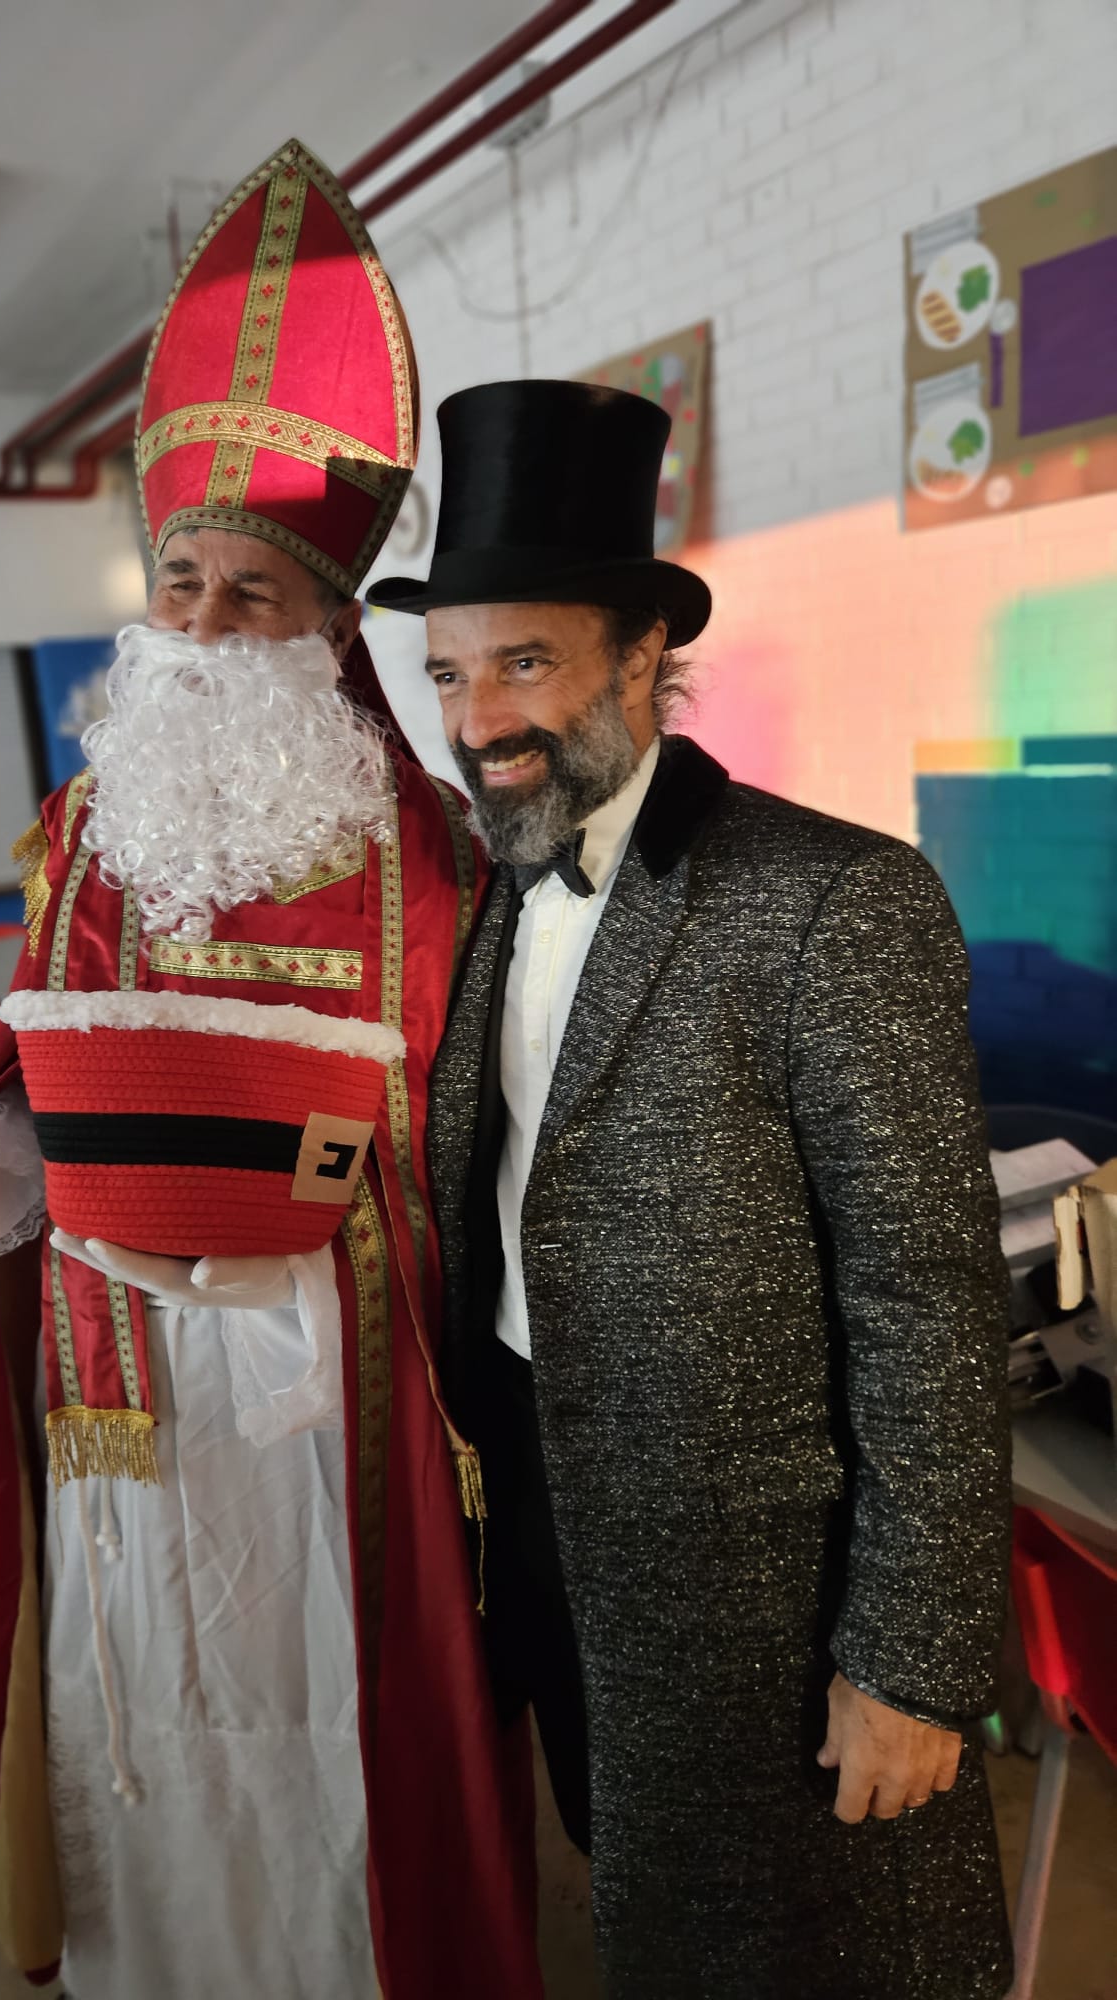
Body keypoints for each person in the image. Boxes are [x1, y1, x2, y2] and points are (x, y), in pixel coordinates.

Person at [0, 145, 543, 2000]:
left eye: (256, 594)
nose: (203, 627)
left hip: (334, 1418)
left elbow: (487, 1167)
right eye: (183, 582)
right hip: (119, 1408)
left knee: (326, 1762)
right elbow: (33, 1106)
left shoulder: (434, 859)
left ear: (334, 626)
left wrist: (307, 1260)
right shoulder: (86, 832)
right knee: (141, 1740)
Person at [367, 377, 1014, 1998]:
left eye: (525, 662)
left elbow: (929, 1304)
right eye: (446, 671)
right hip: (549, 1537)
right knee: (641, 1904)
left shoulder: (833, 901)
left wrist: (912, 1659)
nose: (477, 719)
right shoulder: (489, 884)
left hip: (767, 1598)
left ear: (644, 654)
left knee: (818, 1953)